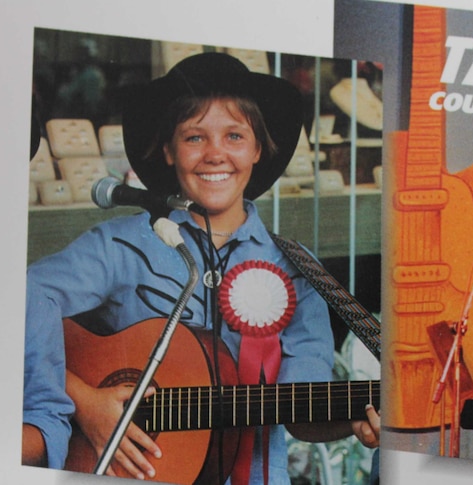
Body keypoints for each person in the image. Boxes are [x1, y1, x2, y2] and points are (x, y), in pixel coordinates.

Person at [21, 52, 380, 484]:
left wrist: (354, 419)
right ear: (169, 150)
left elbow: (301, 410)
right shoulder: (123, 245)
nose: (215, 155)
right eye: (194, 138)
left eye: (234, 136)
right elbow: (23, 296)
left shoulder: (297, 267)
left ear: (258, 148)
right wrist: (83, 401)